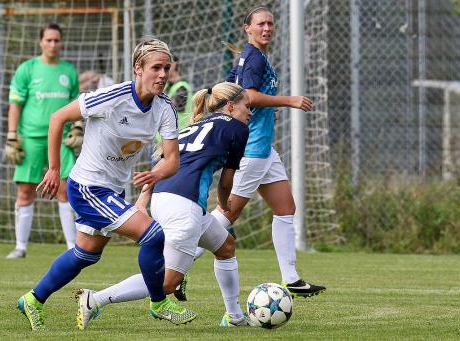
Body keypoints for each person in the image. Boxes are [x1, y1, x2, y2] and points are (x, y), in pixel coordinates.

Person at [15, 37, 196, 330]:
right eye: (156, 68)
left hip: (113, 190)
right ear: (138, 68)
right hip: (87, 187)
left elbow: (172, 159)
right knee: (152, 235)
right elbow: (57, 117)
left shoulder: (165, 108)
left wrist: (156, 174)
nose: (162, 74)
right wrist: (53, 169)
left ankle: (33, 300)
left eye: (166, 68)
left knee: (85, 254)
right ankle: (159, 303)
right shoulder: (113, 96)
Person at [74, 81, 252, 330]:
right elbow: (226, 181)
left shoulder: (195, 125)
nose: (250, 112)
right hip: (184, 206)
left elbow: (163, 166)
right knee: (166, 284)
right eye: (248, 106)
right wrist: (225, 205)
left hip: (167, 199)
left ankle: (234, 317)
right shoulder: (238, 128)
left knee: (225, 246)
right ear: (231, 106)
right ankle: (95, 300)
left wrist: (144, 199)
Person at [192, 6, 326, 298]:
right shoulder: (252, 57)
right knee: (226, 215)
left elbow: (225, 92)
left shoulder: (247, 58)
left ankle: (291, 278)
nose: (267, 28)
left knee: (285, 208)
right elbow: (248, 96)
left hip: (264, 150)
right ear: (247, 28)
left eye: (270, 24)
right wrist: (289, 100)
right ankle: (177, 265)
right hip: (250, 149)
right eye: (261, 24)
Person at [4, 23, 80, 258]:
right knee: (26, 190)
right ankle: (20, 247)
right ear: (41, 42)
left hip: (61, 140)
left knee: (65, 190)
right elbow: (15, 105)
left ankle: (72, 247)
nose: (52, 44)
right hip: (31, 138)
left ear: (61, 42)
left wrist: (77, 127)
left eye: (56, 40)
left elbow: (78, 105)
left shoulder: (69, 71)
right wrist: (12, 135)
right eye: (48, 40)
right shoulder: (27, 69)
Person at [165, 55, 193, 131]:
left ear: (174, 65)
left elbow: (169, 108)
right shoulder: (166, 86)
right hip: (163, 137)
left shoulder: (182, 88)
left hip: (179, 136)